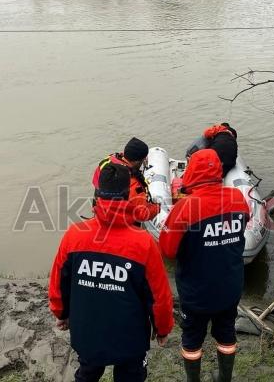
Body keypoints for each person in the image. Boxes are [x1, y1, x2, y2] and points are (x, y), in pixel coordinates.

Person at [50, 162, 174, 382]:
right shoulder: (144, 243)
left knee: (87, 374)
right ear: (127, 196)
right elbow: (159, 297)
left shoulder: (74, 235)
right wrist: (162, 329)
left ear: (96, 194)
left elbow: (59, 283)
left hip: (87, 332)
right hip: (130, 338)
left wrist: (62, 313)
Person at [159, 149, 249, 382]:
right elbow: (244, 223)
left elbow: (167, 250)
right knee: (226, 334)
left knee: (192, 340)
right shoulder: (238, 199)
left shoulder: (186, 208)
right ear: (218, 171)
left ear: (193, 172)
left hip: (196, 292)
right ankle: (224, 378)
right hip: (230, 286)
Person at [92, 137, 159, 223]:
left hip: (99, 208)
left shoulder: (108, 161)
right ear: (138, 161)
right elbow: (142, 214)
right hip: (119, 220)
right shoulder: (132, 183)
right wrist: (157, 207)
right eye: (143, 160)